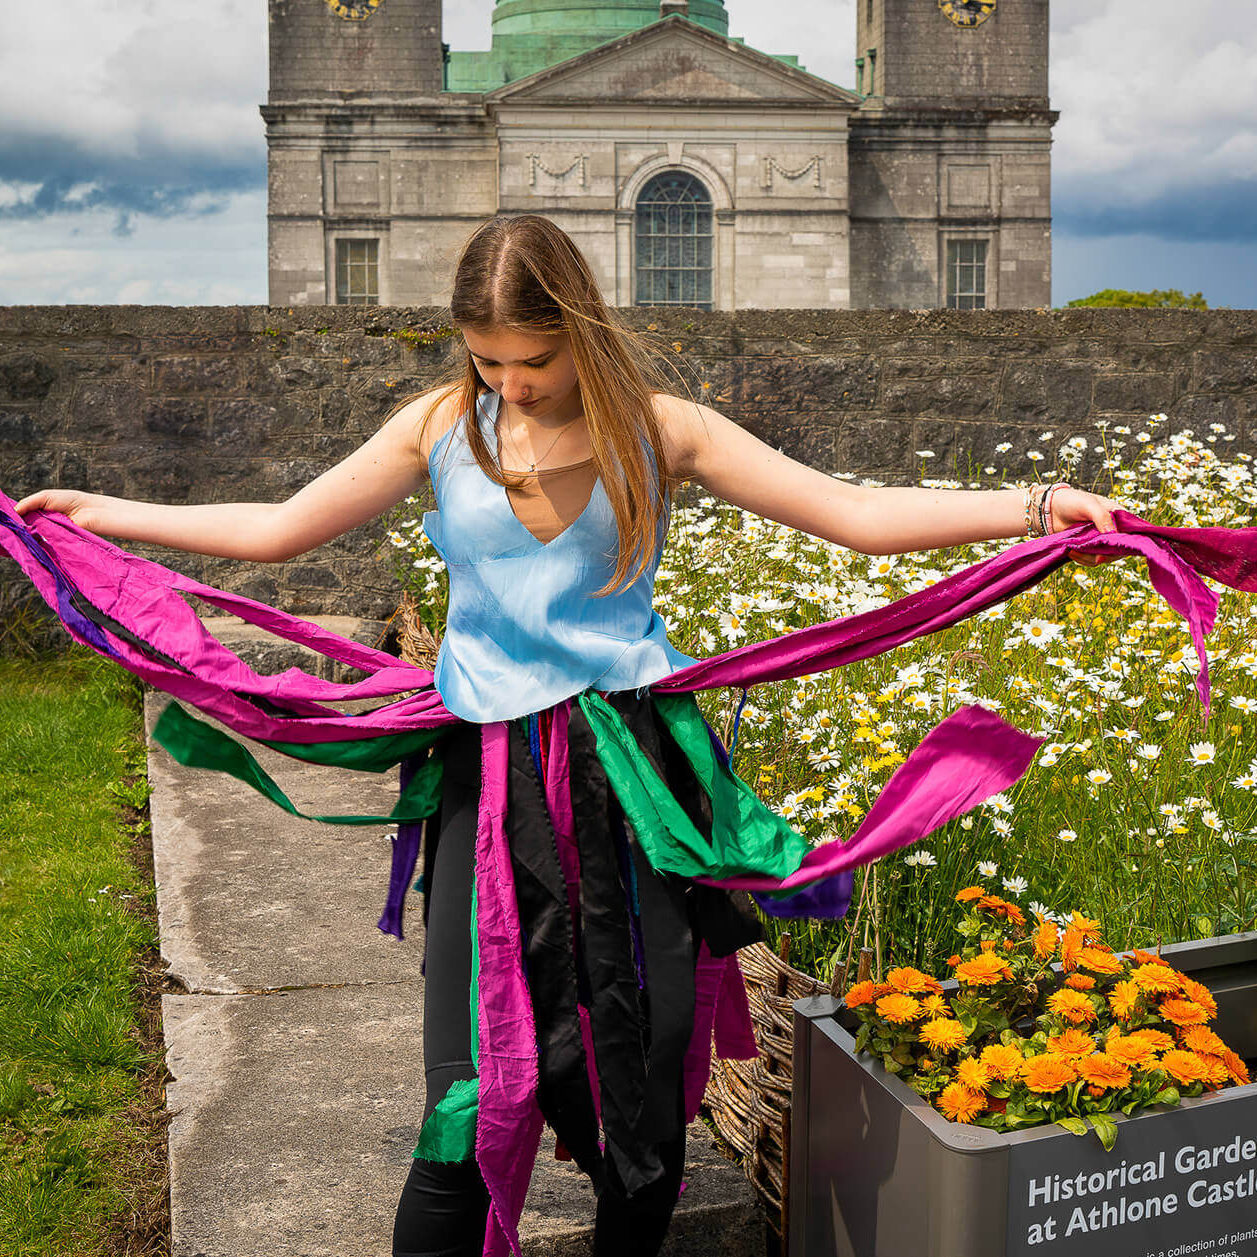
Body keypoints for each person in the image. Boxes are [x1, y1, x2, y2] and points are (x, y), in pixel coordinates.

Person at [14, 214, 1122, 1257]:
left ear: (578, 327)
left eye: (529, 362)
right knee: (469, 1089)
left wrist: (1032, 508)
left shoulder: (661, 428)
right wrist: (105, 515)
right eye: (487, 361)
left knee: (638, 1094)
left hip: (627, 779)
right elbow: (276, 530)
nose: (510, 384)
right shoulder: (442, 426)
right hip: (488, 784)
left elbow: (858, 517)